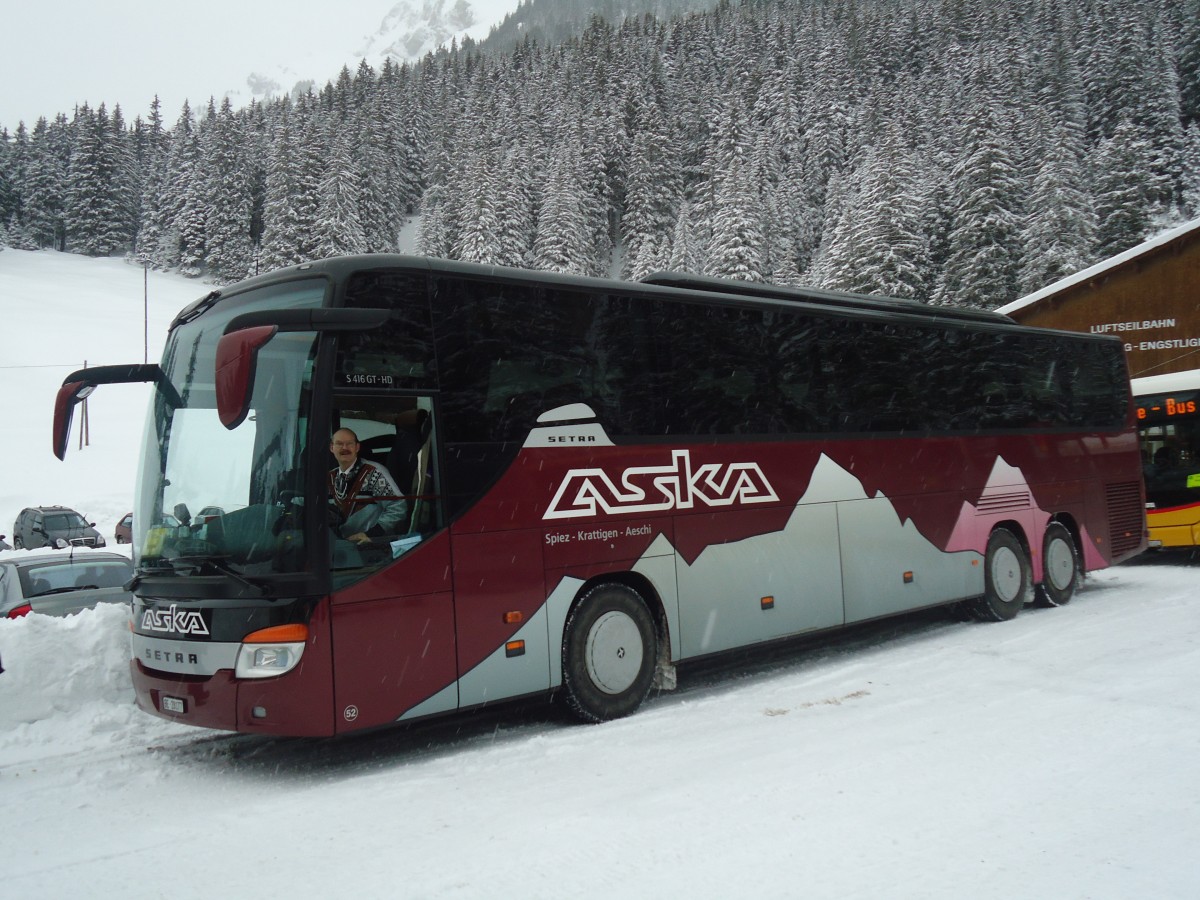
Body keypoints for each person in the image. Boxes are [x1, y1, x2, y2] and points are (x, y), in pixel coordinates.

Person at [328, 428, 408, 545]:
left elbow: (398, 507)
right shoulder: (329, 477)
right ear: (332, 448)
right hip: (337, 547)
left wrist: (371, 534)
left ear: (357, 447)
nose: (344, 448)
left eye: (349, 444)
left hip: (368, 548)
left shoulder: (374, 472)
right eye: (339, 444)